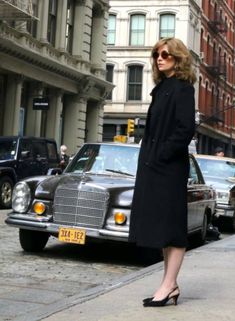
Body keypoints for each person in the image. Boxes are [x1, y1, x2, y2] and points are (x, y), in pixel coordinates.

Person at [129, 37, 196, 307]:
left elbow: (185, 129)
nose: (159, 58)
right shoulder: (161, 89)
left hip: (169, 168)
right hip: (153, 166)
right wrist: (149, 158)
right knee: (160, 228)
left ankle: (168, 285)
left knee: (173, 228)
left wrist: (161, 155)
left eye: (165, 54)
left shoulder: (182, 89)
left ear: (177, 58)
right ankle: (170, 284)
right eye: (157, 54)